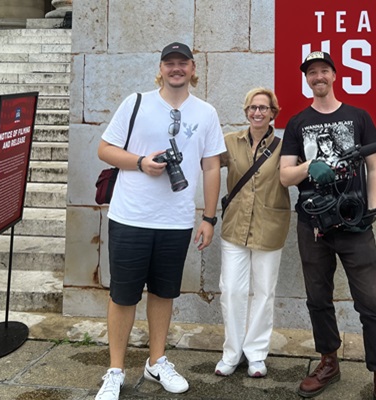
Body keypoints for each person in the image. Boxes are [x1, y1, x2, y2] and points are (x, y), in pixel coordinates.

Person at [95, 41, 225, 400]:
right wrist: (140, 162)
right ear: (161, 68)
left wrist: (209, 217)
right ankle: (116, 370)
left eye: (183, 63)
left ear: (193, 69)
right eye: (170, 63)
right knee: (123, 295)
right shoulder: (136, 102)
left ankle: (157, 361)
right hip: (131, 217)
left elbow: (212, 166)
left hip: (177, 221)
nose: (176, 68)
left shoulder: (206, 112)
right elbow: (104, 149)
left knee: (164, 293)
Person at [279, 51, 376, 400]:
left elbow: (374, 168)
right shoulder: (298, 122)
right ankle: (328, 361)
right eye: (311, 72)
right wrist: (308, 167)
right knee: (318, 298)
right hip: (312, 224)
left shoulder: (358, 117)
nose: (318, 77)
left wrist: (372, 211)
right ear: (307, 78)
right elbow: (285, 174)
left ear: (334, 75)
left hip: (356, 224)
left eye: (323, 71)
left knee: (371, 303)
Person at [215, 88, 291, 378]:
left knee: (263, 292)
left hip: (270, 227)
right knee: (232, 290)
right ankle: (232, 353)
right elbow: (206, 164)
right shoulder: (229, 142)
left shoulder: (285, 146)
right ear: (245, 111)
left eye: (263, 108)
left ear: (273, 112)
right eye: (252, 107)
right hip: (235, 227)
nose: (257, 112)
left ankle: (256, 355)